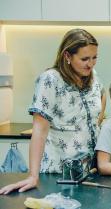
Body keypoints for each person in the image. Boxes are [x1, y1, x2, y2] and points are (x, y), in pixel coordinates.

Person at [0, 28, 105, 194]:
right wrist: (33, 176)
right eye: (85, 59)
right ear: (67, 56)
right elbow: (39, 131)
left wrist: (97, 122)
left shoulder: (92, 76)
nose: (91, 64)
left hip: (89, 172)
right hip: (58, 173)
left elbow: (102, 95)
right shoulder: (50, 80)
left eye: (94, 58)